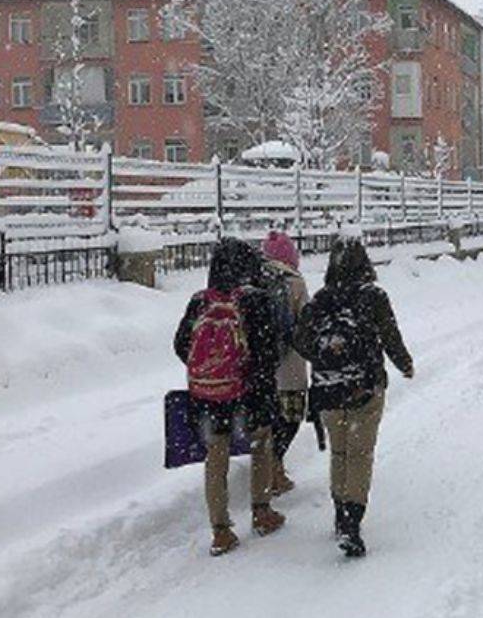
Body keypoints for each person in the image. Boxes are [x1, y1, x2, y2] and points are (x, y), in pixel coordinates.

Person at [294, 235, 414, 558]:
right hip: (365, 388)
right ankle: (352, 521)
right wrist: (405, 364)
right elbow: (390, 336)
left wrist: (326, 354)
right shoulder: (373, 297)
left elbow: (301, 341)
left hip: (328, 389)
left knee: (340, 453)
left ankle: (339, 512)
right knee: (360, 455)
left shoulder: (319, 300)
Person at [174, 238, 285, 557]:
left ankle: (220, 531)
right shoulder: (255, 300)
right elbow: (268, 351)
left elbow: (181, 344)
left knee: (216, 456)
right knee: (261, 444)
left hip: (207, 395)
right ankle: (262, 512)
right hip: (249, 392)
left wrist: (210, 369)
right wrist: (249, 377)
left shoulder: (199, 301)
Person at [262, 231, 310, 495]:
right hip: (289, 363)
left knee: (267, 418)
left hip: (261, 364)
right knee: (290, 417)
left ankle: (267, 468)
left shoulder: (254, 278)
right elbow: (306, 321)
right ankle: (275, 467)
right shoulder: (294, 282)